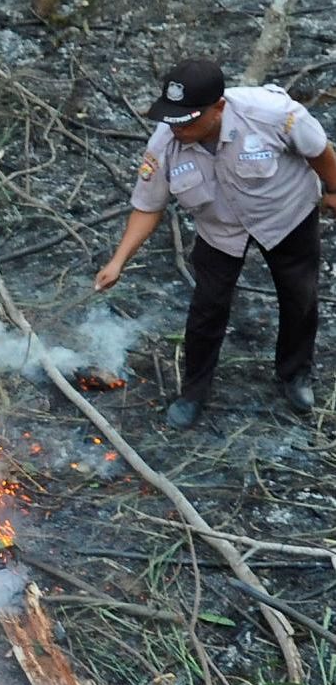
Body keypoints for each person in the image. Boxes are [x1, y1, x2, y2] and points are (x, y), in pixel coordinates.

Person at [95, 58, 336, 428]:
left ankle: (294, 374)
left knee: (299, 296)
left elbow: (320, 151)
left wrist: (334, 189)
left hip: (287, 215)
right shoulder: (165, 142)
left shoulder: (271, 115)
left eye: (188, 120)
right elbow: (148, 206)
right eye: (171, 119)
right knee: (207, 308)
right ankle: (194, 391)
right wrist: (118, 261)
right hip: (219, 230)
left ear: (218, 108)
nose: (177, 129)